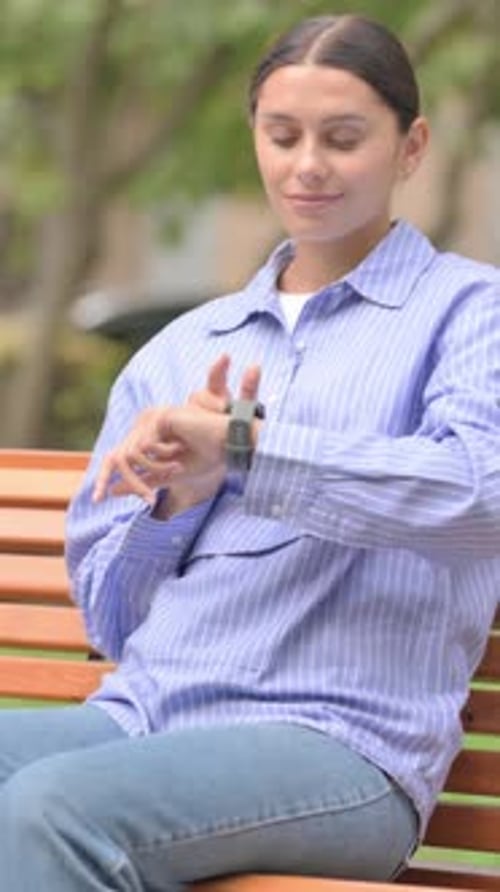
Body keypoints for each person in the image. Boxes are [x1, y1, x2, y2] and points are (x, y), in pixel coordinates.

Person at [1, 12, 499, 891]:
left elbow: (479, 495)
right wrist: (179, 504)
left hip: (340, 750)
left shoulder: (470, 314)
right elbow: (113, 625)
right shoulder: (183, 349)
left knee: (52, 810)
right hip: (146, 721)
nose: (308, 164)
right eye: (284, 136)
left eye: (343, 138)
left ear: (411, 146)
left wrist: (247, 450)